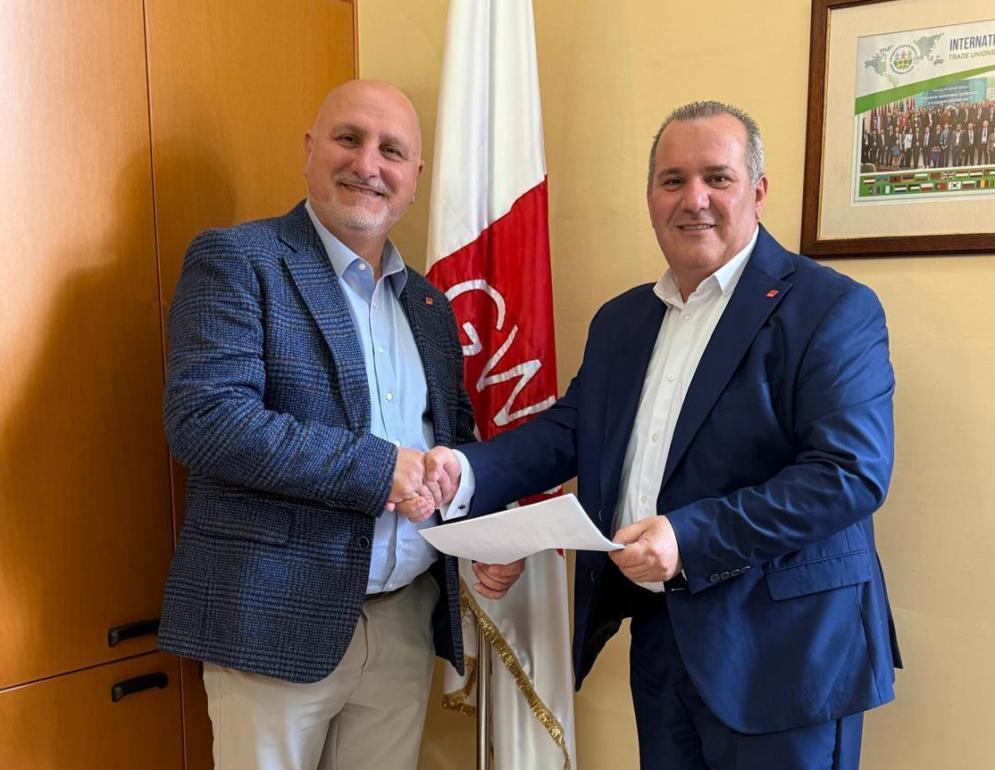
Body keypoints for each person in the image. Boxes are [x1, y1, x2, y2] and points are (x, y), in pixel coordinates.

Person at [430, 101, 901, 770]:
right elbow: (572, 431)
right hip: (661, 637)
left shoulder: (832, 308)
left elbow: (848, 474)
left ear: (758, 192)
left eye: (718, 178)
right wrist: (466, 473)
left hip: (788, 654)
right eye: (672, 180)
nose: (693, 199)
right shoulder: (622, 321)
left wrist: (688, 537)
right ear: (651, 197)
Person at [157, 79, 488, 770]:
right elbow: (207, 420)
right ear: (311, 149)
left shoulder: (430, 306)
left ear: (414, 175)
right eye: (348, 139)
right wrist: (380, 467)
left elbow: (455, 440)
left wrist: (477, 514)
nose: (368, 164)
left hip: (404, 618)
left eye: (391, 150)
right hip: (272, 618)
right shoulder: (238, 260)